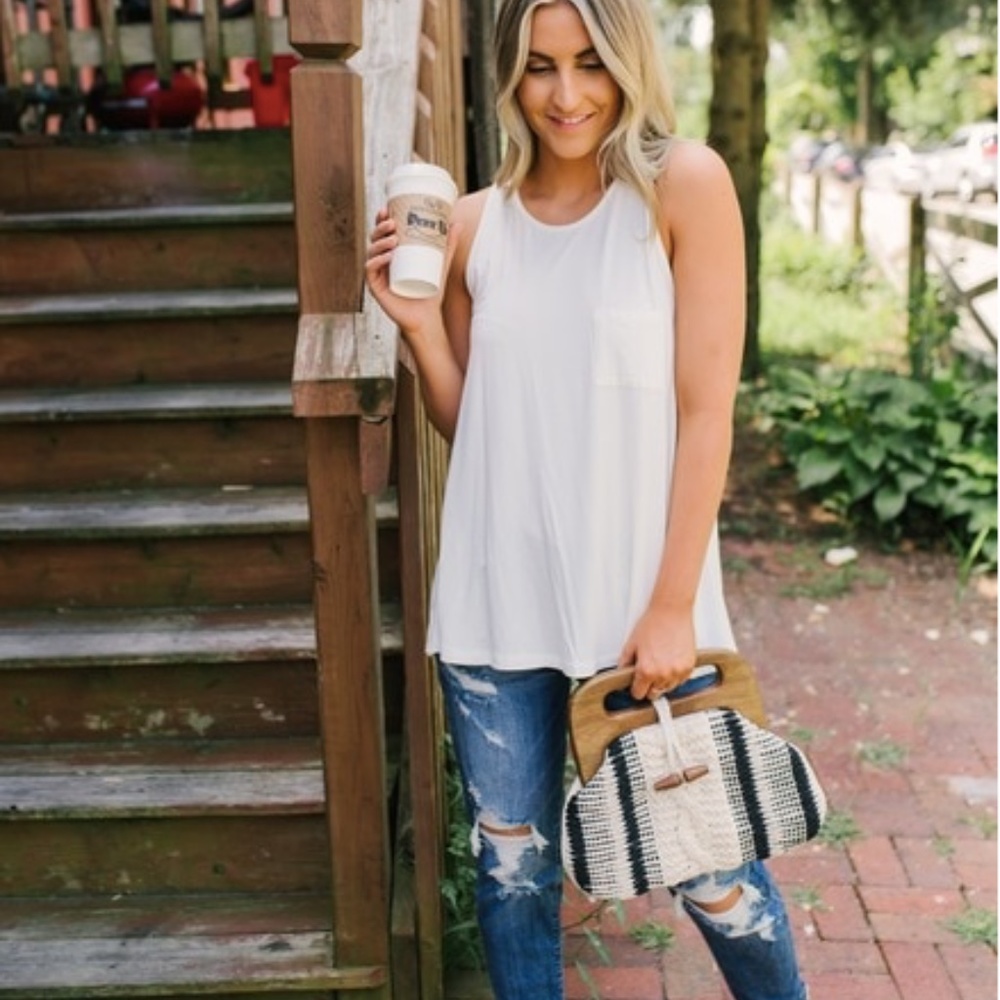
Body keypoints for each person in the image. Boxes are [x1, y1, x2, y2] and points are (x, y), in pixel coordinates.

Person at [366, 1, 808, 997]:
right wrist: (420, 329)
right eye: (539, 66)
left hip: (643, 605)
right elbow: (478, 425)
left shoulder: (685, 186)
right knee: (512, 870)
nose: (566, 94)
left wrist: (672, 606)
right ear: (509, 76)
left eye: (589, 64)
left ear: (627, 62)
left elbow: (707, 413)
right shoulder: (472, 225)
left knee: (714, 873)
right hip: (496, 601)